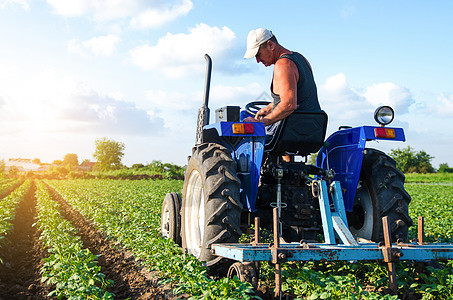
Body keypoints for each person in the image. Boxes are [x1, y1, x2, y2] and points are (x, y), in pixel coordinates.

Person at [243, 28, 321, 136]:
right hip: (313, 127)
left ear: (271, 45)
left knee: (243, 125)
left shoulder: (283, 65)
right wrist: (269, 108)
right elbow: (299, 97)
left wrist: (261, 122)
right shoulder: (300, 58)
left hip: (293, 130)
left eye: (258, 54)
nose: (258, 60)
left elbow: (289, 104)